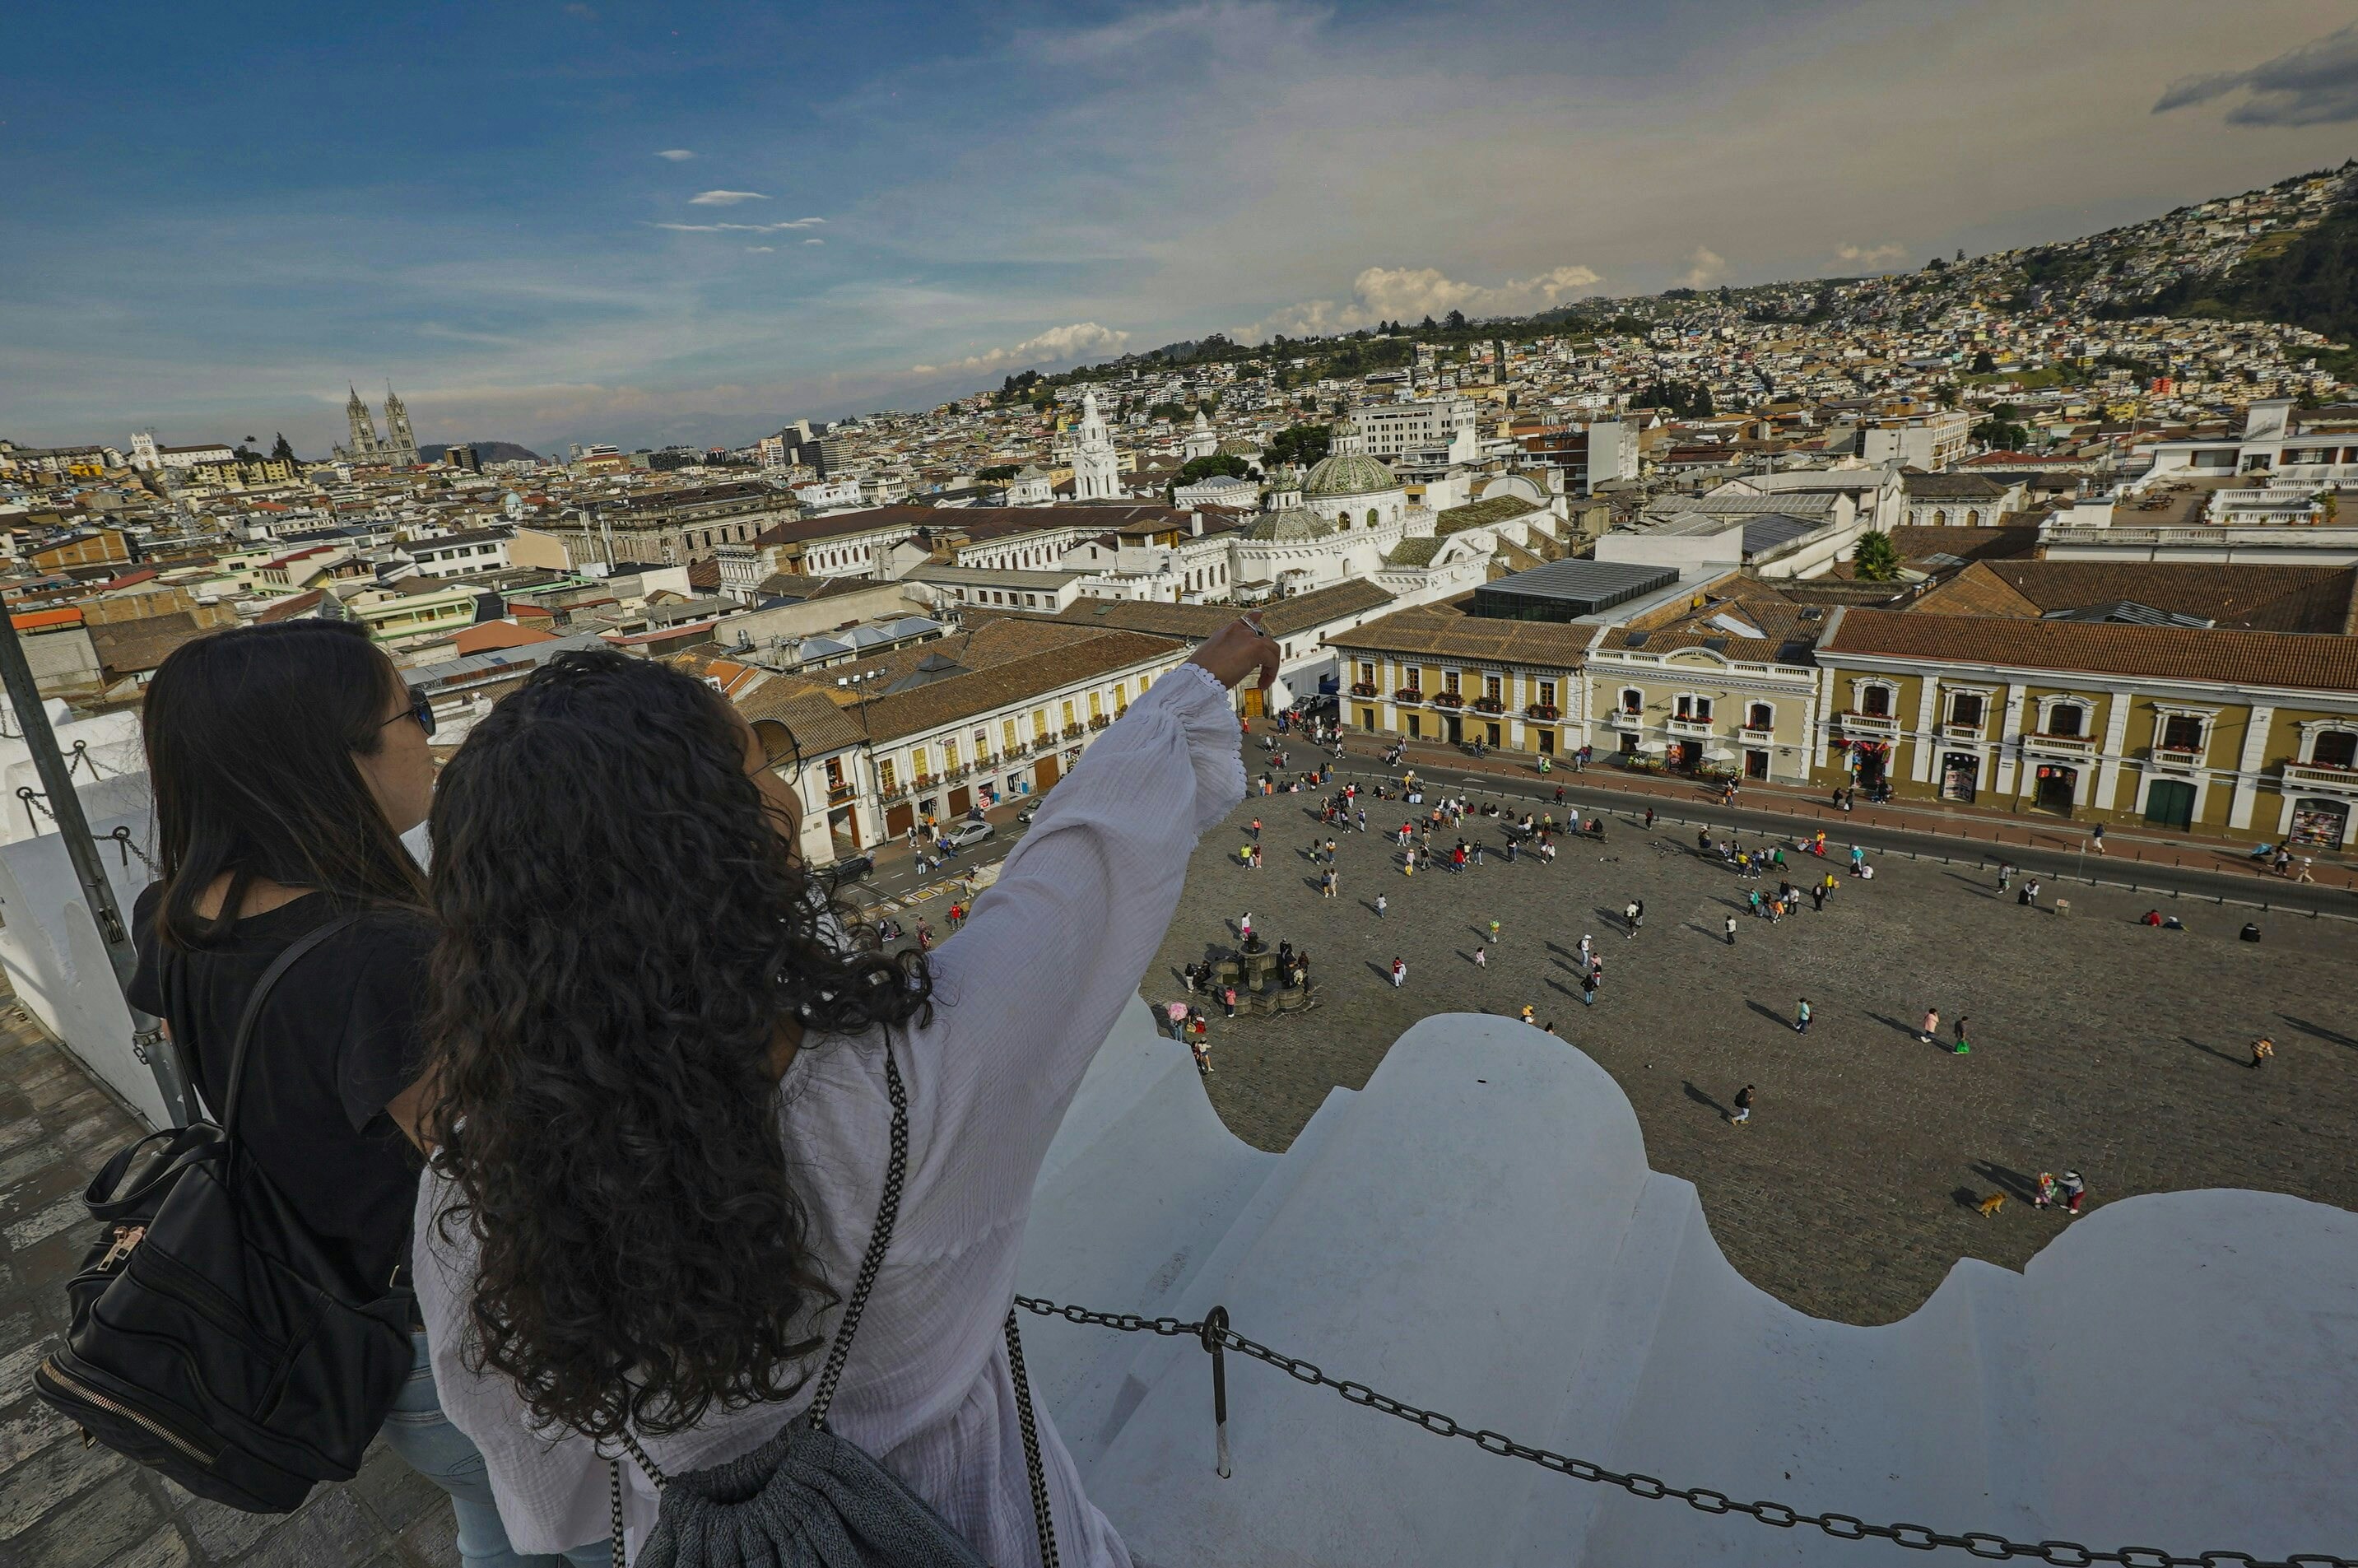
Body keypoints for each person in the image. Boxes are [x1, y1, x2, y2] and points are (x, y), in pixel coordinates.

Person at [414, 616, 1281, 1565]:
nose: (784, 790)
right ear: (718, 847)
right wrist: (1188, 694)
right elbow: (1080, 876)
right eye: (755, 769)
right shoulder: (912, 1079)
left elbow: (551, 1498)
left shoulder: (478, 1187)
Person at [130, 624, 587, 1566]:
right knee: (590, 1540)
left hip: (354, 1325)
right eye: (411, 711)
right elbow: (498, 1177)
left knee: (496, 1530)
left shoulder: (175, 911)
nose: (428, 734)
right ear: (326, 761)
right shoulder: (380, 957)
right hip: (455, 1343)